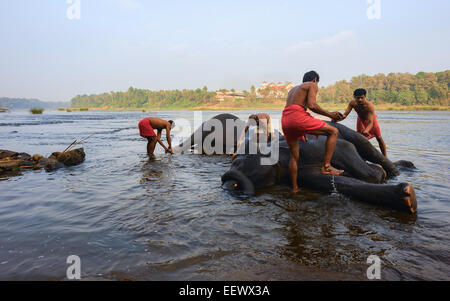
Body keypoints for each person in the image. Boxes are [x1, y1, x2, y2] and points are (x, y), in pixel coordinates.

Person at [282, 71, 344, 193]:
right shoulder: (312, 84)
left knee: (294, 157)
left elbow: (296, 107)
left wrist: (302, 130)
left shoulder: (293, 89)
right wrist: (330, 114)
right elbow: (312, 105)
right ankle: (326, 166)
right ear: (315, 79)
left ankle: (294, 188)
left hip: (285, 119)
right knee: (333, 131)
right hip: (297, 117)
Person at [335, 89, 387, 157]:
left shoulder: (369, 106)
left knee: (379, 137)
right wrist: (337, 119)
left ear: (365, 97)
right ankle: (360, 156)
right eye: (358, 98)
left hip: (370, 120)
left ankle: (385, 157)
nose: (360, 100)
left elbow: (371, 122)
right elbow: (345, 115)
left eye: (362, 98)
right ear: (354, 97)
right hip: (360, 119)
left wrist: (366, 130)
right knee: (359, 139)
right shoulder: (352, 103)